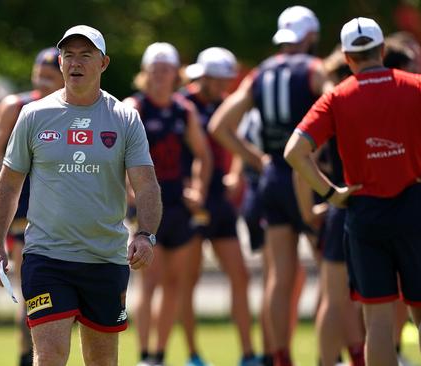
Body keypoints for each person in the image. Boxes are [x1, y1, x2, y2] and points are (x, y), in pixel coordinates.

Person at [0, 25, 162, 366]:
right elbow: (7, 184)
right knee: (49, 356)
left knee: (102, 361)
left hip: (106, 259)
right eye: (68, 55)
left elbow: (147, 185)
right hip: (47, 258)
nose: (74, 63)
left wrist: (144, 234)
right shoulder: (34, 115)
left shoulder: (124, 118)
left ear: (103, 63)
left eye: (85, 55)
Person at [284, 17, 421, 365]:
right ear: (381, 50)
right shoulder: (416, 86)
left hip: (364, 216)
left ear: (347, 57)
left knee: (376, 318)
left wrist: (331, 194)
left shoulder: (336, 98)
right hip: (415, 211)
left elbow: (294, 153)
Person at [209, 6, 331, 366]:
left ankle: (279, 356)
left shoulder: (261, 73)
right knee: (331, 269)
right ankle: (332, 354)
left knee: (278, 275)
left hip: (272, 177)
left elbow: (220, 125)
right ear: (310, 36)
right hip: (305, 173)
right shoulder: (313, 69)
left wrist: (255, 158)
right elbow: (337, 107)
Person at [123, 42, 210, 366]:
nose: (160, 76)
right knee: (150, 281)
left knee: (175, 283)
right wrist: (128, 187)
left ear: (176, 74)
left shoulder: (183, 111)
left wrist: (197, 188)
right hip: (147, 207)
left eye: (167, 70)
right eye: (155, 69)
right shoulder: (135, 107)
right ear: (146, 73)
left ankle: (159, 354)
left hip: (176, 203)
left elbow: (202, 155)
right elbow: (115, 153)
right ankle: (145, 354)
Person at [0, 46, 64, 366]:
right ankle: (28, 356)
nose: (42, 82)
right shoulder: (17, 107)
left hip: (63, 216)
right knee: (33, 291)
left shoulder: (73, 112)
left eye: (50, 76)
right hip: (23, 214)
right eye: (39, 74)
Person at [180, 47, 259, 366]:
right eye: (221, 79)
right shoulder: (182, 105)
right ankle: (193, 354)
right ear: (206, 78)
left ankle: (248, 354)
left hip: (221, 202)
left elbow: (237, 141)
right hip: (192, 202)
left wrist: (236, 175)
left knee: (240, 276)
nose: (226, 85)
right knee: (189, 279)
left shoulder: (227, 105)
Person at [291, 47, 365, 366]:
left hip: (343, 209)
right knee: (336, 299)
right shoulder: (339, 106)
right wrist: (322, 202)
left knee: (340, 298)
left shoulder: (340, 106)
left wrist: (319, 204)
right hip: (346, 209)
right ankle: (329, 360)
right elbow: (299, 159)